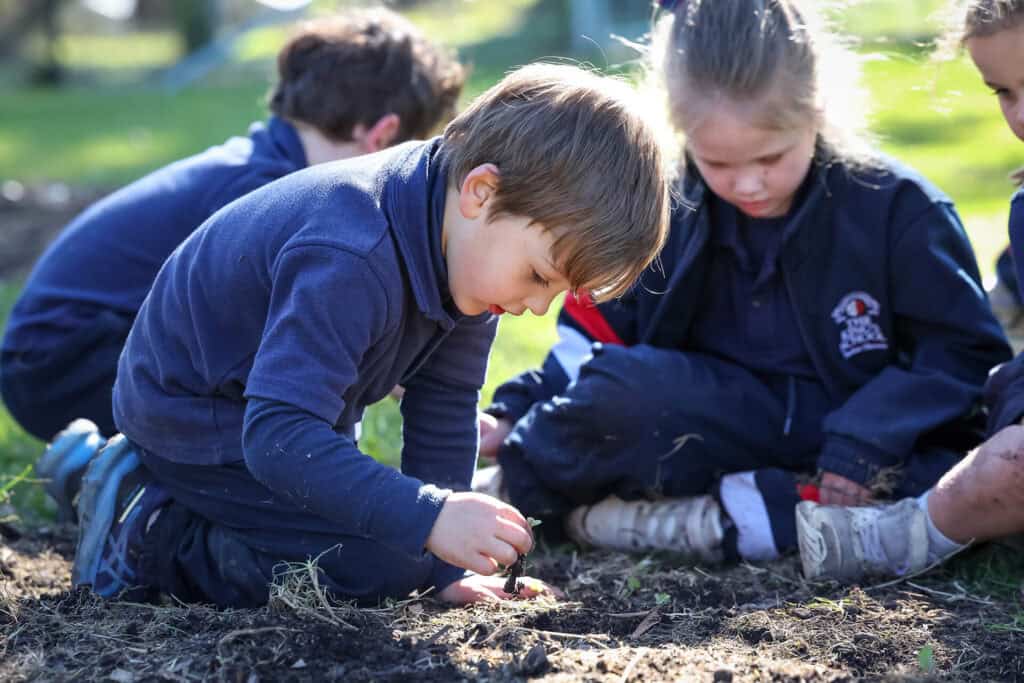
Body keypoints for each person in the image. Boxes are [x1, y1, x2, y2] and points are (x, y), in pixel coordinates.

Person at [67, 63, 671, 607]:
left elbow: (445, 407)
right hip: (194, 416)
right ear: (480, 193)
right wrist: (429, 518)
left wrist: (443, 565)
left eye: (555, 291)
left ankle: (153, 498)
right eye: (538, 276)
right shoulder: (352, 251)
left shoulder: (468, 254)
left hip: (280, 414)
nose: (535, 306)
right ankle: (148, 526)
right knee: (375, 564)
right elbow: (278, 435)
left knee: (404, 546)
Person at [473, 0, 1011, 565]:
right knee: (623, 394)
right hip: (707, 420)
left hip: (846, 442)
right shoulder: (667, 204)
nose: (750, 184)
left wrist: (867, 437)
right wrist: (516, 412)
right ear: (680, 131)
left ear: (816, 111)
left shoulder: (900, 210)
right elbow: (595, 336)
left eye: (771, 157)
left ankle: (666, 521)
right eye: (719, 164)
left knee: (946, 472)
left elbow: (963, 357)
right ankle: (514, 493)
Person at [0, 8, 465, 522]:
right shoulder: (275, 196)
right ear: (384, 138)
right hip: (64, 358)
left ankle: (125, 471)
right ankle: (124, 481)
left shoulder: (265, 163)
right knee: (279, 405)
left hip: (55, 353)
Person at [796, 0, 1024, 582]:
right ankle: (906, 531)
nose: (1020, 116)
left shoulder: (907, 209)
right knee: (1005, 459)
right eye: (1003, 93)